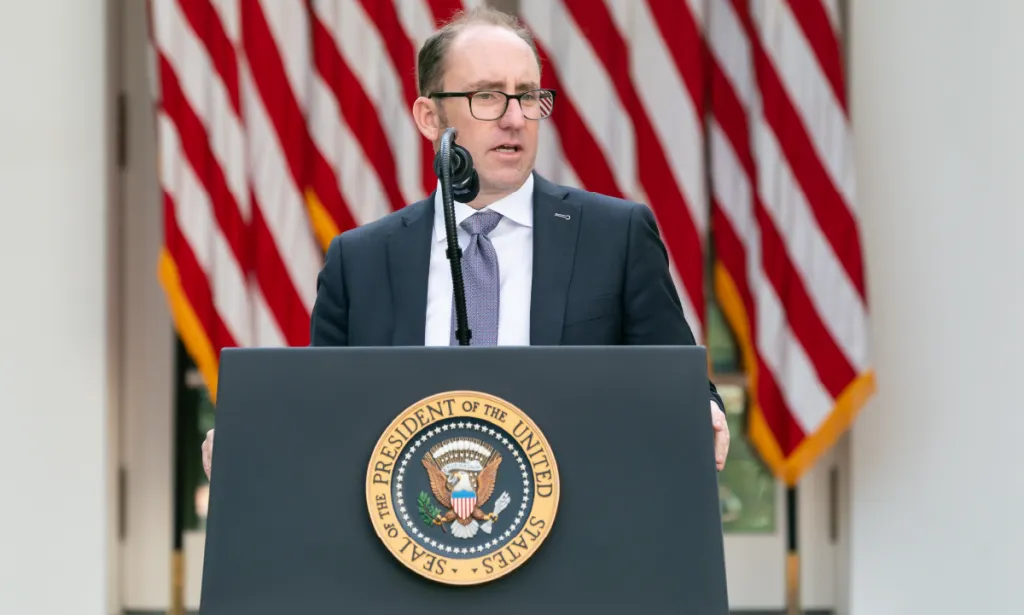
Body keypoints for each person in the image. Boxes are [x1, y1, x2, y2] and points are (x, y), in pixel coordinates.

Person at [202, 6, 728, 480]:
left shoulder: (615, 236)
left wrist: (702, 409)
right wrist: (255, 438)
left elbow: (676, 380)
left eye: (527, 95)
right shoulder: (360, 261)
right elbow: (324, 411)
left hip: (576, 547)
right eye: (487, 96)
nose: (515, 117)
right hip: (409, 547)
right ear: (430, 118)